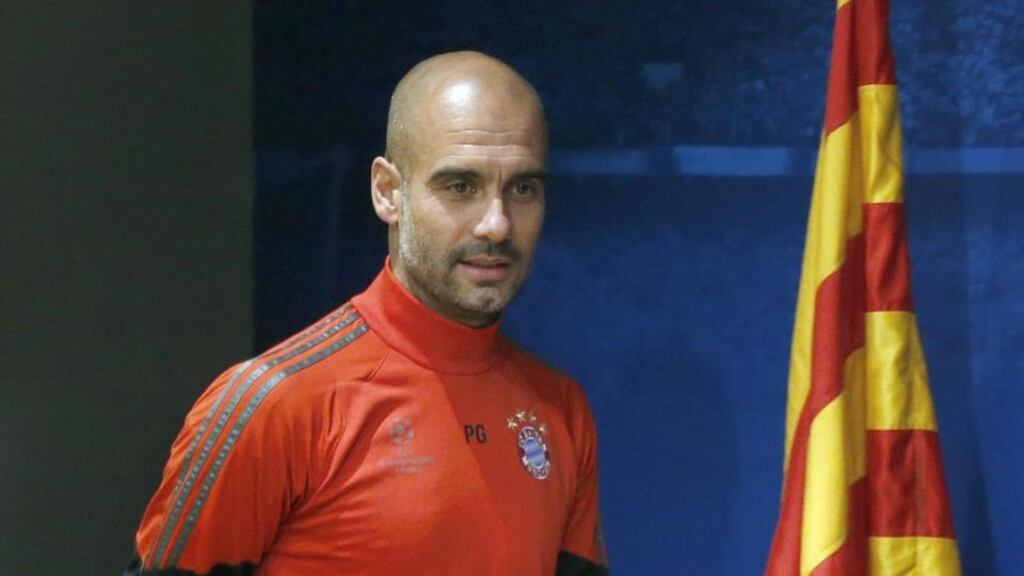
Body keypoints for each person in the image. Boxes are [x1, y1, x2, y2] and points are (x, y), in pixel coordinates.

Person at [126, 51, 607, 576]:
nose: (496, 224)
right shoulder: (273, 406)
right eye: (460, 186)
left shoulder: (561, 411)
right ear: (387, 192)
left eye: (522, 188)